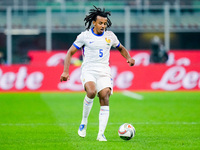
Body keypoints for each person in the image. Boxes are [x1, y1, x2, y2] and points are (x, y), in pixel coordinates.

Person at [60, 6, 135, 141]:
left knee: (105, 96)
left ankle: (101, 134)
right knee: (91, 92)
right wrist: (66, 71)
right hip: (88, 69)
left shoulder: (110, 36)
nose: (103, 26)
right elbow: (69, 53)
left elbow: (121, 48)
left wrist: (128, 57)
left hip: (104, 71)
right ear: (94, 22)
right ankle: (84, 122)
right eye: (100, 23)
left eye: (105, 23)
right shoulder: (85, 36)